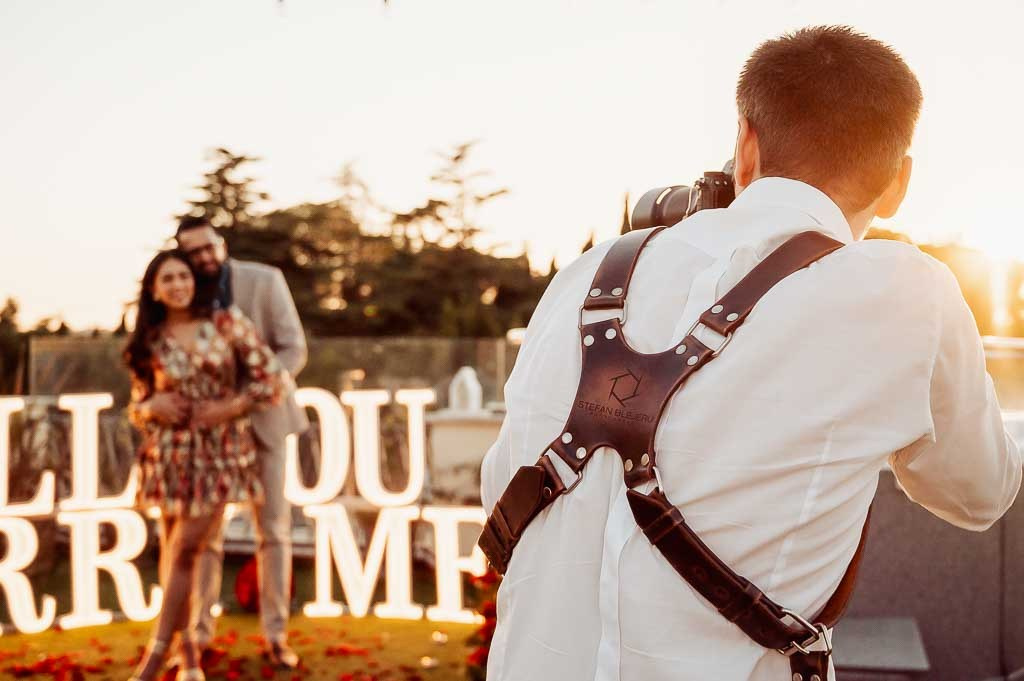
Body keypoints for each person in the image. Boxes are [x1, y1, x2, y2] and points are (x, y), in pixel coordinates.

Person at [480, 26, 1021, 681]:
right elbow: (980, 494)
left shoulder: (587, 273)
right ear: (899, 182)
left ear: (745, 142)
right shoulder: (910, 293)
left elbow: (503, 493)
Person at [124, 249, 284, 681]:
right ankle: (189, 654)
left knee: (186, 549)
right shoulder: (150, 338)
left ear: (194, 281)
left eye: (183, 276)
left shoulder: (226, 322)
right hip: (170, 455)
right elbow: (136, 406)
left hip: (221, 453)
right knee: (176, 550)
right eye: (168, 279)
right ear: (154, 290)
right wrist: (151, 404)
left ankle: (155, 656)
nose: (178, 284)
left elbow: (273, 379)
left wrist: (229, 407)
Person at [174, 215, 309, 669]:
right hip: (208, 438)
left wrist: (242, 401)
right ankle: (199, 635)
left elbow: (294, 351)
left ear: (221, 243)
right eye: (193, 253)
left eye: (209, 247)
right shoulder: (182, 294)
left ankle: (275, 637)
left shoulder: (266, 281)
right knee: (206, 537)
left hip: (266, 423)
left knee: (272, 531)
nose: (204, 257)